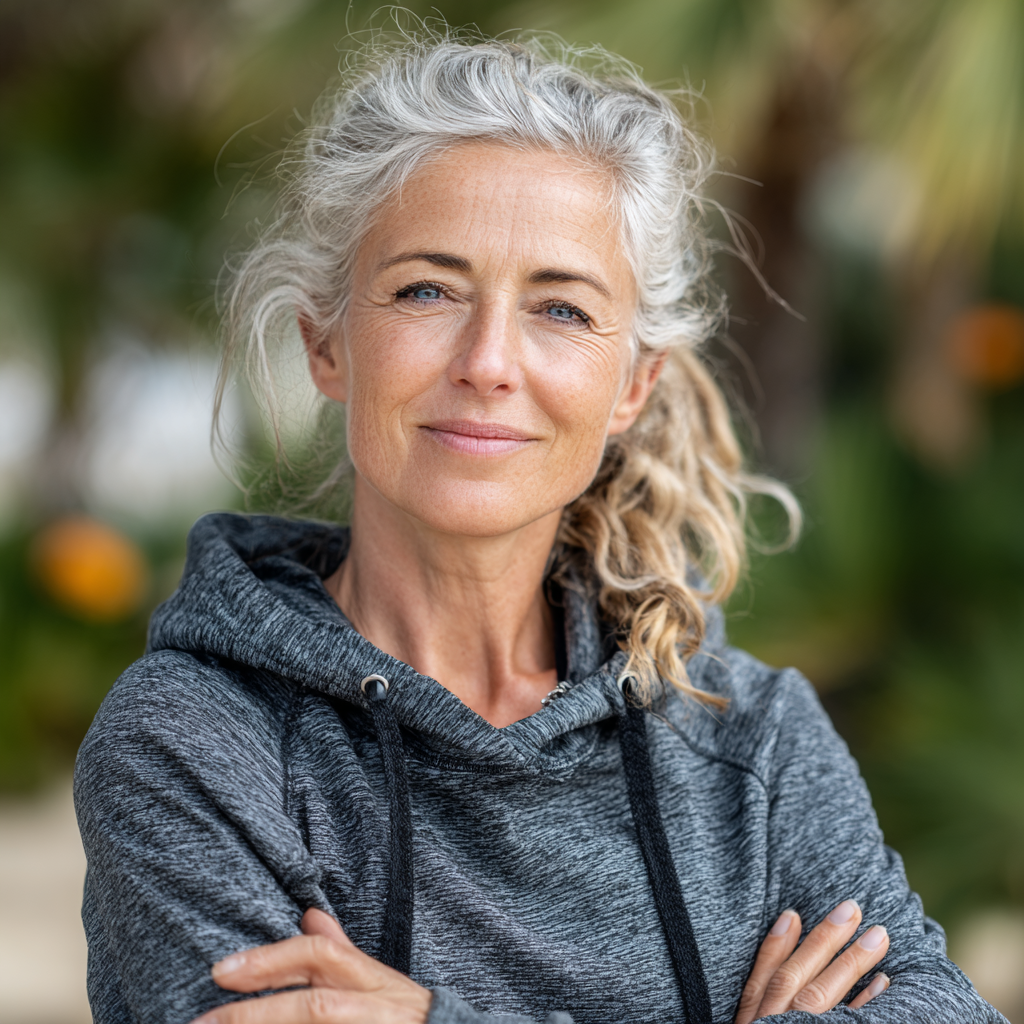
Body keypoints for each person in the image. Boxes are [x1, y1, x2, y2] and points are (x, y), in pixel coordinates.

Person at [74, 33, 1004, 1024]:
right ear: (327, 343)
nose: (487, 361)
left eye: (559, 308)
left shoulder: (749, 736)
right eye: (427, 289)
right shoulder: (193, 746)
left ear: (631, 386)